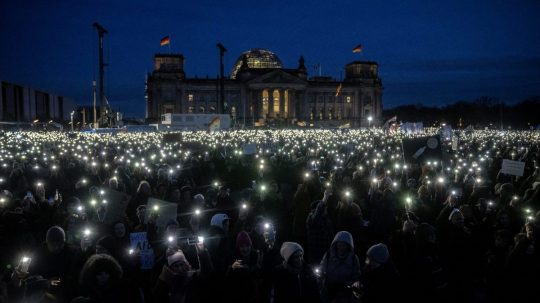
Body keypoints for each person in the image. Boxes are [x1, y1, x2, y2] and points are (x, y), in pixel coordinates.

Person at [319, 231, 361, 303]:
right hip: (328, 292)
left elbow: (356, 276)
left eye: (344, 245)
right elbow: (321, 269)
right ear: (335, 244)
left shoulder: (354, 259)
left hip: (345, 294)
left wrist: (348, 285)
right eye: (339, 244)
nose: (341, 247)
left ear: (348, 246)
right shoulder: (328, 255)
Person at [225, 231, 262, 302]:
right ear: (238, 247)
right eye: (242, 246)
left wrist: (253, 268)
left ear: (250, 245)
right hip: (237, 294)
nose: (245, 249)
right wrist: (232, 268)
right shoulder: (233, 257)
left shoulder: (255, 255)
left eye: (247, 246)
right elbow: (227, 279)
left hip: (253, 294)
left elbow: (259, 276)